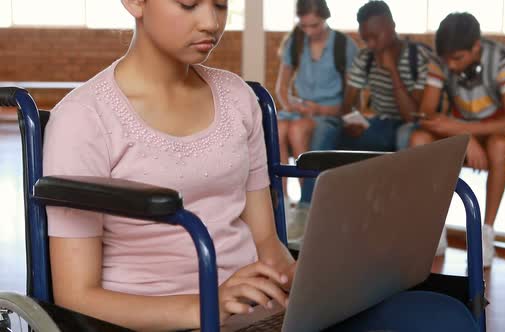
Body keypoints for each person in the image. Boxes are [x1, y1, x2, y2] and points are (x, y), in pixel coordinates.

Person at [43, 1, 295, 330]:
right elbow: (76, 296)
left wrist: (311, 282)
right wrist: (205, 308)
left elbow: (267, 244)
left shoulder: (238, 97)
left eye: (220, 4)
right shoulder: (83, 119)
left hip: (252, 312)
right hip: (159, 320)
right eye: (189, 3)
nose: (211, 22)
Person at [410, 12, 505, 267]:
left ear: (476, 47)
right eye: (446, 59)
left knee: (499, 145)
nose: (450, 65)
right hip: (460, 128)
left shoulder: (503, 59)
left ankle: (486, 232)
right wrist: (463, 134)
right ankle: (435, 225)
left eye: (458, 58)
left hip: (493, 132)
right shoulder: (441, 60)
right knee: (419, 138)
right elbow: (426, 115)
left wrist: (464, 129)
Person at [275, 0, 357, 240]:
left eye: (315, 25)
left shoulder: (344, 45)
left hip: (329, 112)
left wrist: (320, 109)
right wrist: (291, 104)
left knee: (297, 131)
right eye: (305, 25)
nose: (309, 31)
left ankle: (306, 201)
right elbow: (281, 87)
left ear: (326, 17)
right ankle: (281, 198)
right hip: (300, 110)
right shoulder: (295, 41)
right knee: (277, 128)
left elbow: (350, 100)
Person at [340, 0, 431, 153]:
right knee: (341, 136)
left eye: (375, 37)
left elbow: (412, 116)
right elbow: (348, 102)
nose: (370, 44)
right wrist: (352, 121)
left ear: (392, 26)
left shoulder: (418, 57)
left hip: (411, 124)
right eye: (365, 39)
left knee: (403, 136)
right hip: (380, 122)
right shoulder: (365, 57)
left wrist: (393, 71)